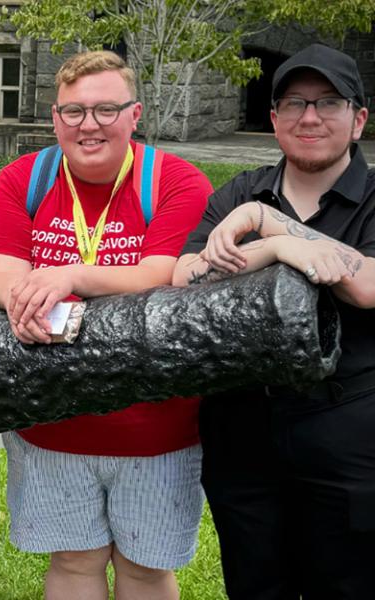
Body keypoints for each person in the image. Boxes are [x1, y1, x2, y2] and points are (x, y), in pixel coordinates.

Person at [0, 50, 211, 599]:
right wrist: (56, 291)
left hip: (159, 428)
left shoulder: (176, 183)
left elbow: (162, 276)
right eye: (74, 112)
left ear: (135, 115)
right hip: (52, 420)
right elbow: (0, 284)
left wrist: (67, 276)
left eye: (106, 110)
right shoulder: (22, 181)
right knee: (74, 563)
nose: (89, 126)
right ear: (55, 118)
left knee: (146, 570)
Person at [174, 44, 375, 599]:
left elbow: (366, 284)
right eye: (294, 103)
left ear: (358, 119)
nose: (309, 117)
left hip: (349, 431)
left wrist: (271, 231)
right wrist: (277, 247)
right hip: (243, 429)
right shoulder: (238, 192)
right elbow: (182, 280)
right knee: (255, 585)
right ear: (274, 119)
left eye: (328, 103)